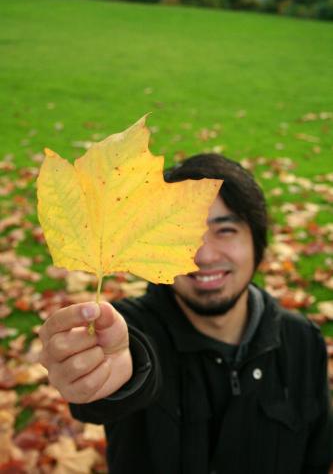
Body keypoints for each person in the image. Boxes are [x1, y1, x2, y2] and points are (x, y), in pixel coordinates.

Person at [39, 154, 333, 474]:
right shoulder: (126, 332)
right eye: (184, 235)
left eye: (225, 231)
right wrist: (116, 376)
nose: (204, 255)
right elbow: (124, 366)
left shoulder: (303, 340)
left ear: (256, 242)